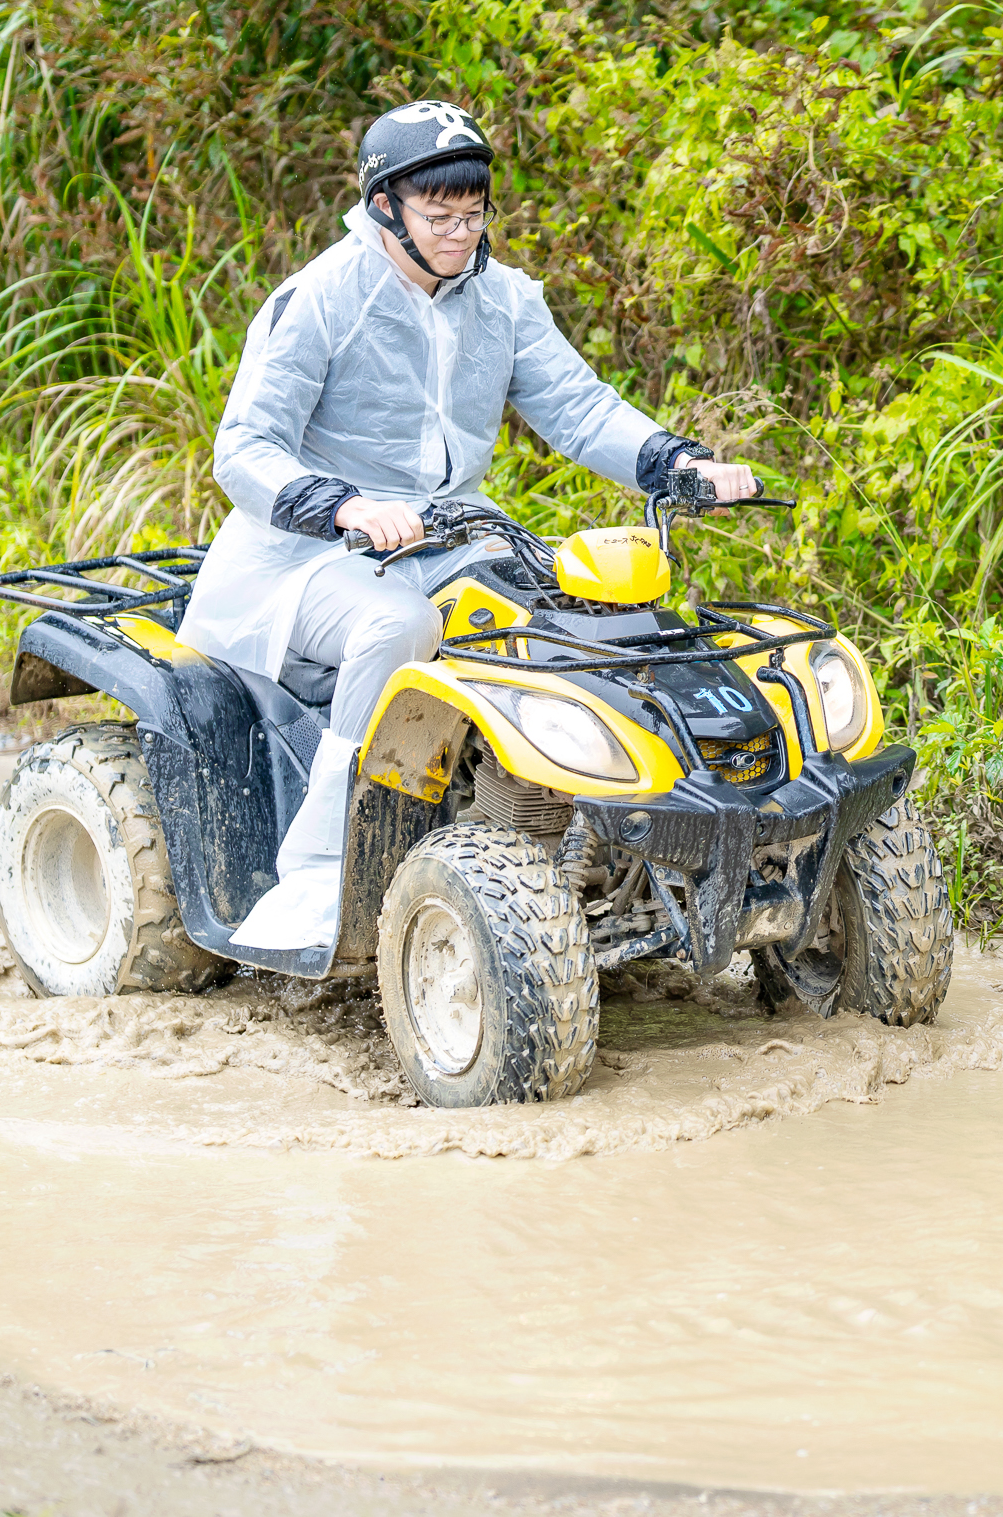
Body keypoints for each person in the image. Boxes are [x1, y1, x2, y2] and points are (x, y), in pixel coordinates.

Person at [175, 99, 757, 954]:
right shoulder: (320, 299)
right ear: (383, 208)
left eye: (473, 214)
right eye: (438, 217)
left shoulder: (506, 301)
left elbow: (581, 409)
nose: (459, 234)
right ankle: (325, 869)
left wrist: (678, 462)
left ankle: (567, 834)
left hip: (450, 538)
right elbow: (244, 450)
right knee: (398, 625)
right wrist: (345, 505)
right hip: (304, 558)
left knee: (568, 619)